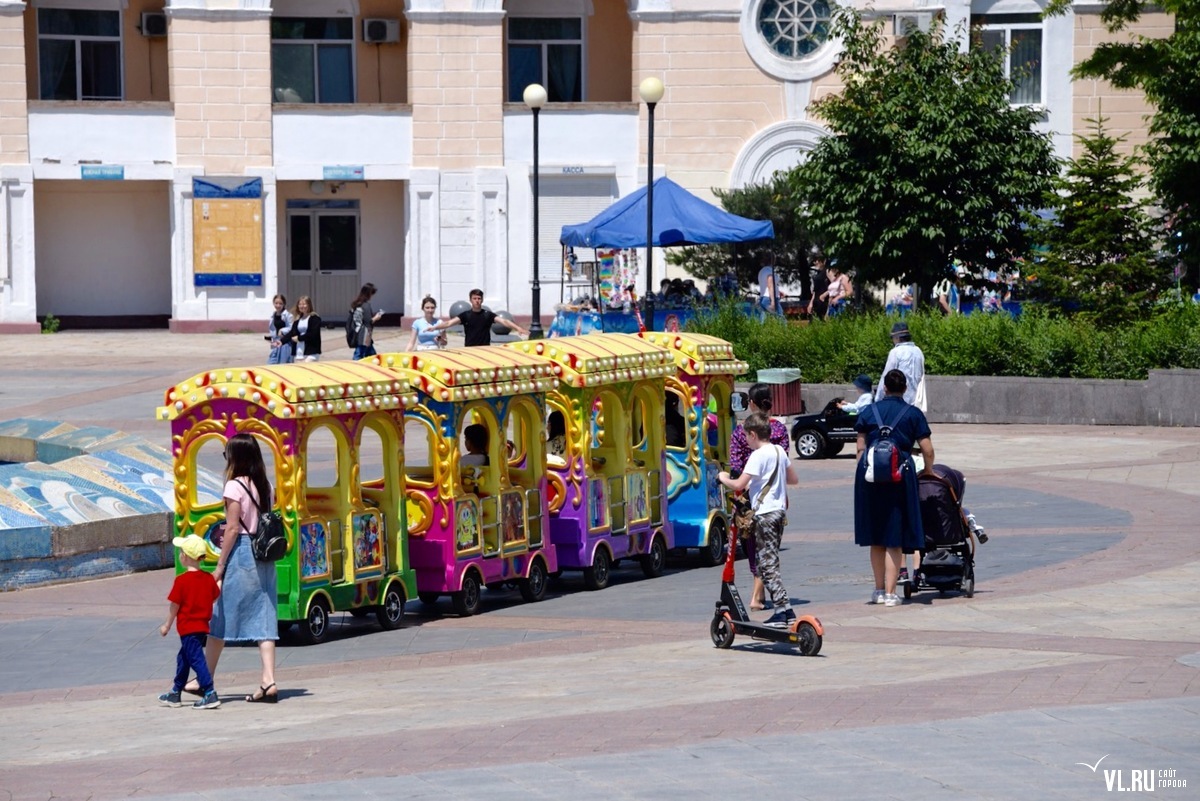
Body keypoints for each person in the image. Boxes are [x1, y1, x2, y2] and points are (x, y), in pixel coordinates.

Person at [184, 433, 279, 703]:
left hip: (243, 554)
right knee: (264, 615)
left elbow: (234, 528)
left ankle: (205, 679)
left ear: (235, 457)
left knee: (221, 616)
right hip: (265, 556)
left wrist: (220, 566)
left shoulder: (234, 487)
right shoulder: (266, 485)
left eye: (227, 455)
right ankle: (268, 680)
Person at [854, 369, 935, 607]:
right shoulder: (913, 414)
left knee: (876, 537)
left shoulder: (868, 411)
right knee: (894, 536)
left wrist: (864, 472)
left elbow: (860, 449)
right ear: (905, 389)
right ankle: (891, 593)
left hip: (869, 479)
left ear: (885, 388)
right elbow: (927, 449)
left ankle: (878, 590)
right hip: (901, 476)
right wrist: (928, 471)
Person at [717, 413, 799, 627]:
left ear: (753, 434)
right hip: (779, 512)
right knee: (768, 561)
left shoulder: (758, 455)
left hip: (765, 514)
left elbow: (738, 485)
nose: (745, 440)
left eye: (746, 436)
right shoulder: (779, 450)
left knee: (766, 564)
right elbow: (794, 479)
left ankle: (783, 610)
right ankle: (785, 610)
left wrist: (722, 477)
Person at [728, 383, 790, 611]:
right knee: (768, 546)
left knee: (753, 546)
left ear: (751, 403)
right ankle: (759, 594)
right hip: (775, 496)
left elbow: (735, 467)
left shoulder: (740, 431)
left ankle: (758, 595)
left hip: (747, 497)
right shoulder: (781, 430)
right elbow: (786, 466)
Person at [158, 534, 222, 710]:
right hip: (202, 627)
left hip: (188, 628)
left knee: (196, 660)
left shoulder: (182, 581)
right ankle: (175, 691)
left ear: (185, 556)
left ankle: (209, 691)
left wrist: (167, 625)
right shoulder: (208, 579)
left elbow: (175, 606)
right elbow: (214, 597)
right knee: (184, 658)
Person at [429, 289, 527, 347]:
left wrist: (518, 328)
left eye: (479, 298)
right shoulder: (465, 315)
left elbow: (504, 321)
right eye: (474, 298)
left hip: (485, 348)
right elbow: (448, 323)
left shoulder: (487, 314)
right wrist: (434, 327)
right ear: (470, 300)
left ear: (482, 300)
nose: (477, 301)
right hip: (470, 349)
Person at [876, 320, 927, 412]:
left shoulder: (896, 352)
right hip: (916, 402)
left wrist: (878, 399)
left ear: (897, 338)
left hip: (899, 402)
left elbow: (886, 377)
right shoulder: (918, 351)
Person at [350, 283, 384, 360]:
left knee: (370, 353)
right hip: (365, 333)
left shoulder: (358, 304)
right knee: (360, 353)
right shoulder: (366, 306)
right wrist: (376, 317)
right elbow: (369, 321)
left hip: (358, 331)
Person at [283, 295, 322, 362]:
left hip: (311, 352)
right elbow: (292, 333)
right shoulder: (297, 319)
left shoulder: (315, 318)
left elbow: (313, 334)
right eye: (300, 304)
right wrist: (281, 341)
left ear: (309, 305)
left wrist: (299, 338)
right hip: (299, 352)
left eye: (304, 304)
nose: (302, 306)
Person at [267, 294, 294, 365]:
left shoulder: (288, 315)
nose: (278, 305)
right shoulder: (273, 316)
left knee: (283, 365)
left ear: (284, 304)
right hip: (275, 342)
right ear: (273, 303)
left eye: (280, 303)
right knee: (271, 362)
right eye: (276, 303)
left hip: (285, 343)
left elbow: (292, 328)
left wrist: (282, 330)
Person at [807, 252, 830, 319]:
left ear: (823, 261)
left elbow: (834, 286)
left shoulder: (828, 271)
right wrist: (811, 303)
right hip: (816, 302)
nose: (815, 263)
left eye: (817, 260)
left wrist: (824, 295)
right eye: (814, 261)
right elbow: (815, 290)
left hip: (825, 301)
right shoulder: (817, 273)